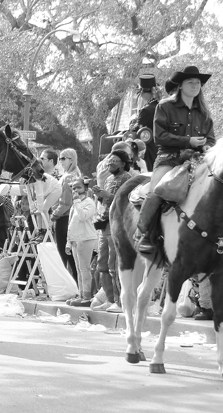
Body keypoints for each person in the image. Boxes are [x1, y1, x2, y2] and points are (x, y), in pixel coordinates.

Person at [137, 65, 215, 254]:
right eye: (190, 82)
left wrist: (206, 146)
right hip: (169, 159)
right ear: (180, 85)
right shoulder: (165, 106)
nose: (195, 85)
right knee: (157, 191)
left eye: (198, 83)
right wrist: (188, 140)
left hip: (197, 160)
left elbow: (211, 139)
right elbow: (159, 137)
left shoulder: (204, 112)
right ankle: (144, 234)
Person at [92, 150, 131, 313]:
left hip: (118, 223)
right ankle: (109, 299)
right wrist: (99, 195)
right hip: (104, 223)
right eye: (109, 161)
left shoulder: (128, 179)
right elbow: (106, 200)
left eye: (114, 161)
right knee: (102, 264)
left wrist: (106, 195)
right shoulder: (108, 179)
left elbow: (124, 200)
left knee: (113, 264)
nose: (110, 163)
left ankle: (120, 302)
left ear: (123, 163)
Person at [64, 177, 98, 307]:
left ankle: (87, 296)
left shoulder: (89, 202)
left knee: (85, 269)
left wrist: (77, 202)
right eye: (73, 188)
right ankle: (81, 294)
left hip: (86, 238)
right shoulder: (75, 204)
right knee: (78, 269)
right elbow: (71, 224)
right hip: (75, 239)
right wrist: (68, 241)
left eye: (78, 187)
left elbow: (84, 216)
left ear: (85, 189)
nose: (76, 190)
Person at [50, 148, 81, 279]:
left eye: (63, 158)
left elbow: (65, 202)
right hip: (71, 217)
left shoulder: (69, 177)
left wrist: (54, 215)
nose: (60, 161)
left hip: (64, 218)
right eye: (59, 158)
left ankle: (71, 284)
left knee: (65, 253)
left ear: (71, 160)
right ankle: (75, 284)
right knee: (71, 253)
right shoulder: (74, 175)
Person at [132, 74, 161, 171]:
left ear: (142, 93)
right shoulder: (161, 106)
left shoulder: (147, 110)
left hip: (149, 148)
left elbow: (137, 129)